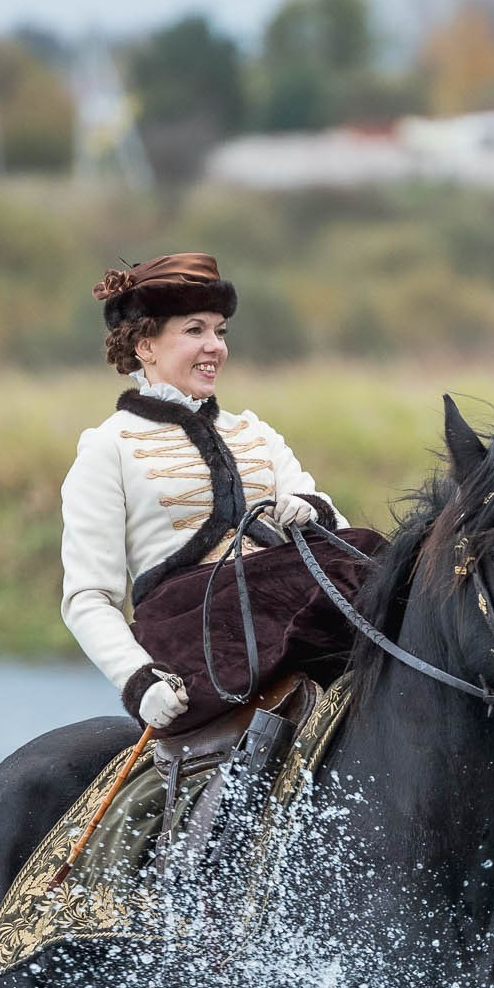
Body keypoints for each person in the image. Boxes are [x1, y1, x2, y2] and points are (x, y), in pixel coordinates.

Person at [62, 253, 377, 735]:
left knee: (374, 555)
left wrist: (308, 511)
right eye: (195, 331)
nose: (215, 347)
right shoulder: (108, 447)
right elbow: (88, 596)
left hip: (288, 602)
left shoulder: (257, 433)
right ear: (145, 345)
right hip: (193, 630)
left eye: (220, 331)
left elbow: (332, 523)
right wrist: (138, 680)